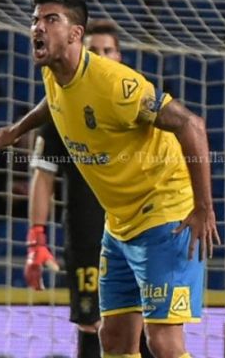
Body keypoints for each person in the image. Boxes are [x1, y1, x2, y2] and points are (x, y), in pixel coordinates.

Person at [0, 0, 220, 358]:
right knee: (113, 338)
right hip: (120, 223)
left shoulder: (116, 85)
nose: (38, 27)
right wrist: (17, 129)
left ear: (75, 34)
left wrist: (203, 208)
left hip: (165, 213)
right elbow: (55, 101)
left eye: (51, 19)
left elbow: (192, 125)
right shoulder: (55, 73)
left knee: (163, 342)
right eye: (35, 19)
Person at [26, 20, 152, 358]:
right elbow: (43, 176)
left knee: (147, 328)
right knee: (93, 326)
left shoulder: (137, 102)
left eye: (108, 50)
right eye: (93, 50)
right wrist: (36, 236)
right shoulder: (60, 106)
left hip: (141, 232)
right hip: (88, 237)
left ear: (120, 57)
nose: (101, 57)